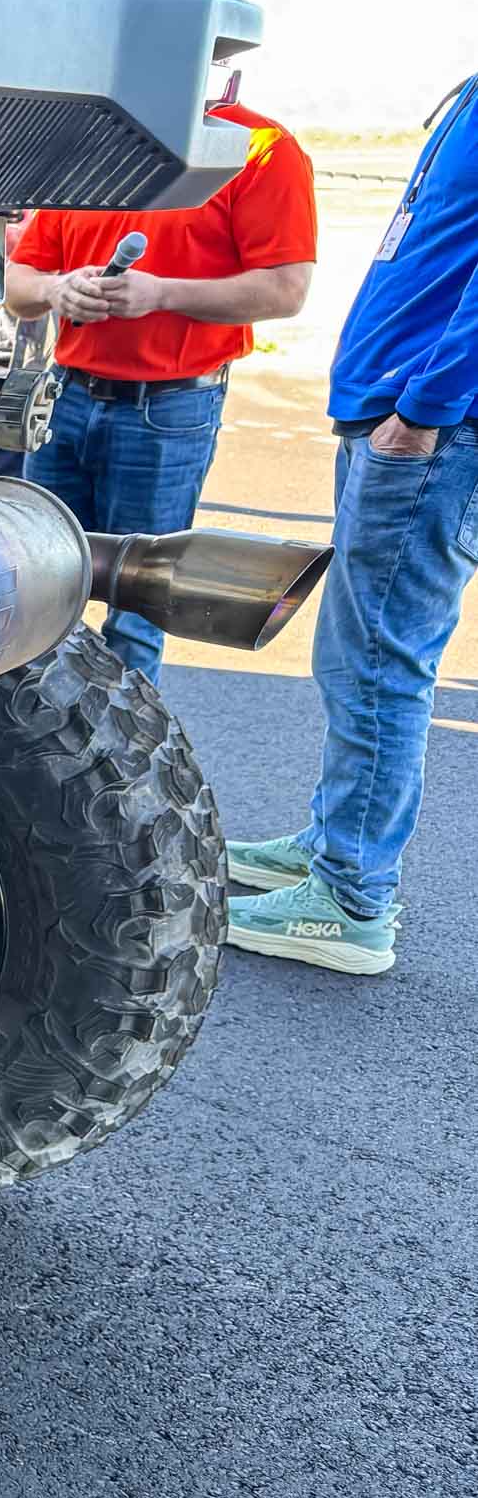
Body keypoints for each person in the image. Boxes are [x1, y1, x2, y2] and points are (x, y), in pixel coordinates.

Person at [224, 55, 478, 976]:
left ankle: (349, 900)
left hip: (429, 432)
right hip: (401, 416)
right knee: (356, 654)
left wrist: (426, 412)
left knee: (378, 660)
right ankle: (338, 849)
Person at [3, 74, 317, 683]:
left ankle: (118, 767)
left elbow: (286, 289)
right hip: (65, 398)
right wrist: (55, 287)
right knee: (35, 587)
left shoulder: (259, 148)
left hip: (166, 412)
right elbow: (19, 284)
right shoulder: (96, 141)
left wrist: (161, 293)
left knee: (136, 610)